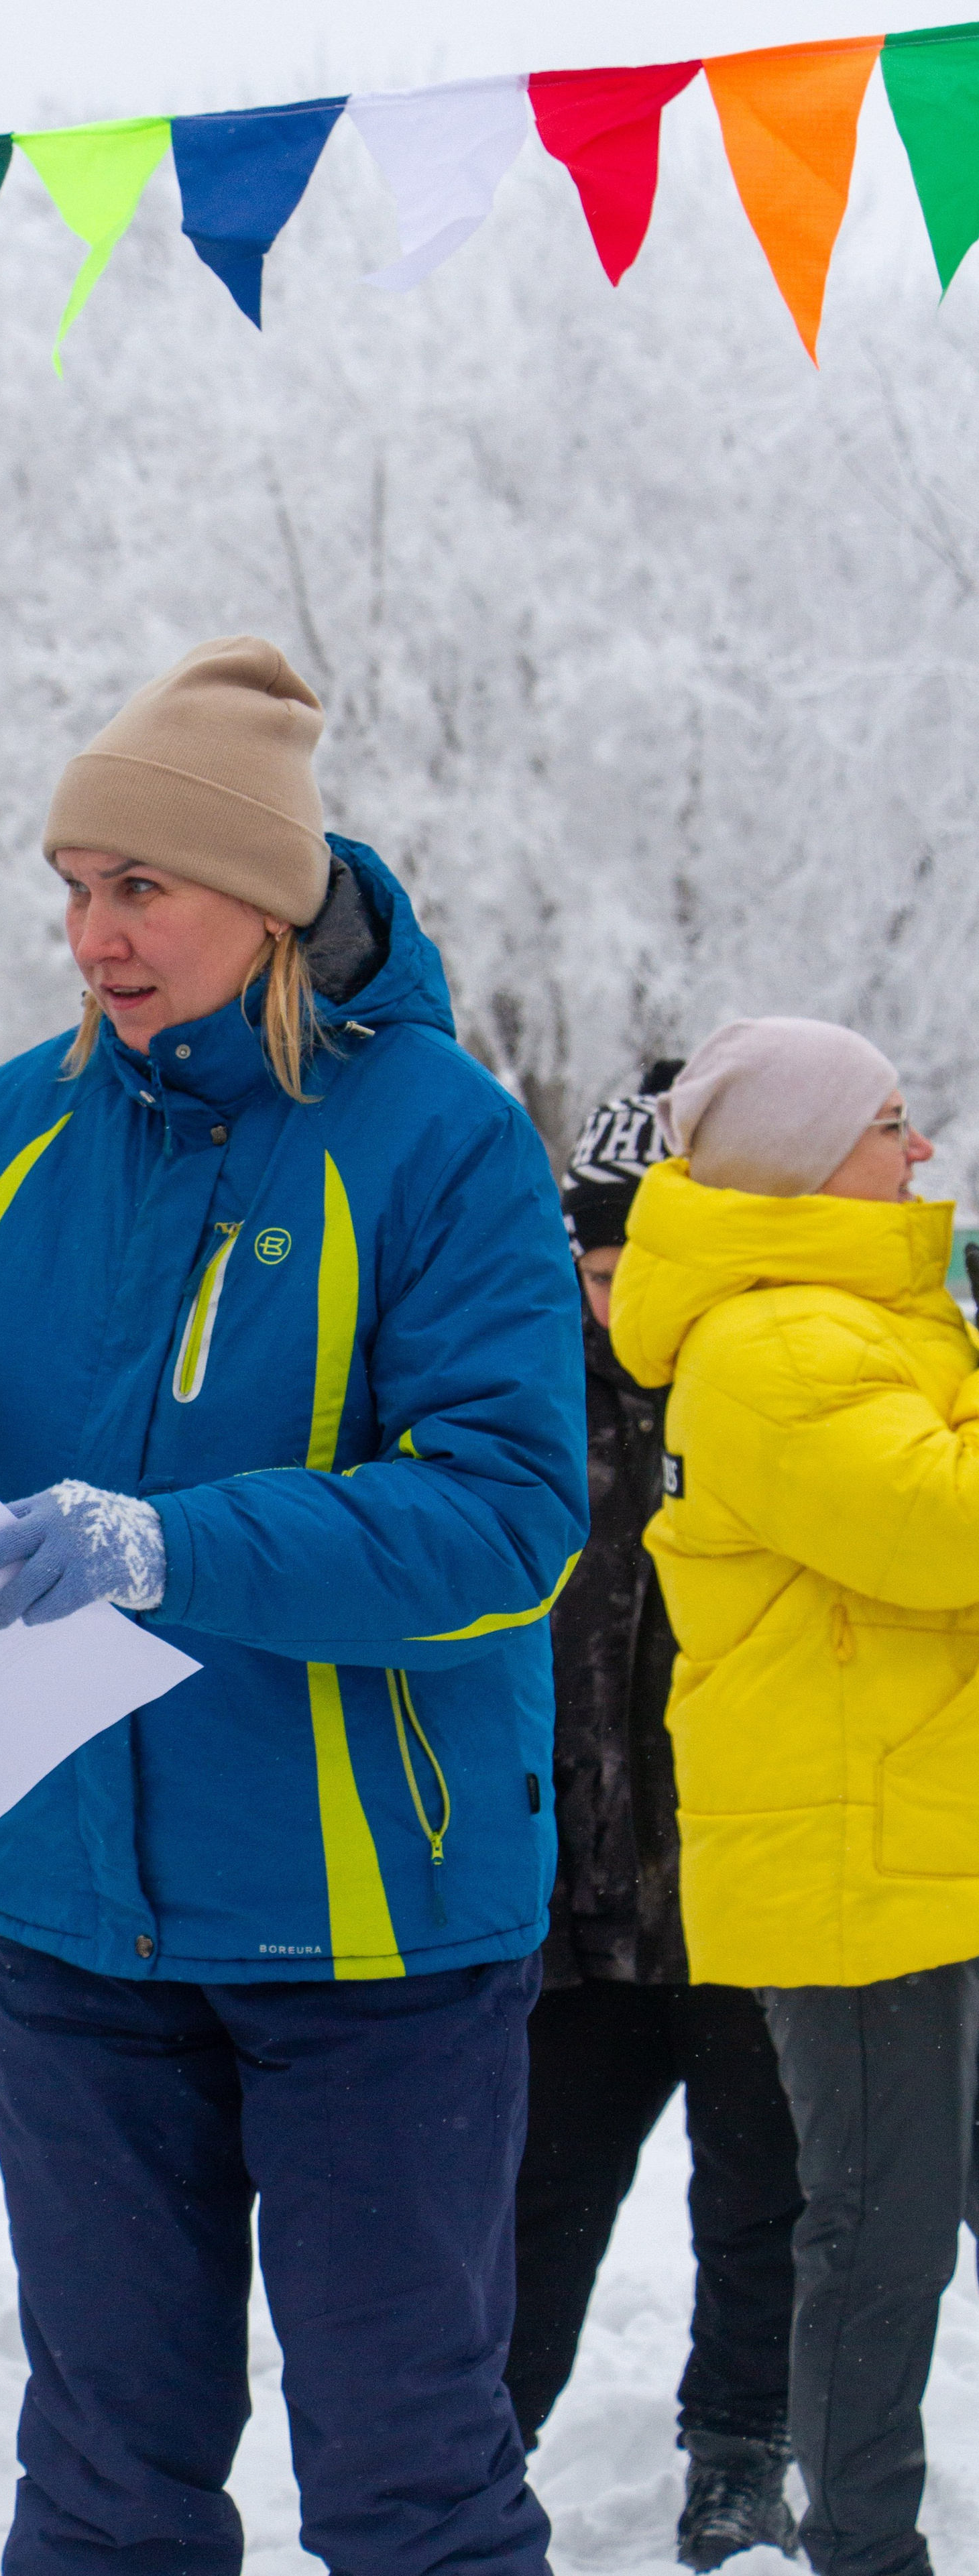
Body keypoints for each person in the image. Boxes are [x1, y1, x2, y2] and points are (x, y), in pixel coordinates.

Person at [0, 638, 589, 2576]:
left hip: (372, 1938)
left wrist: (175, 1547)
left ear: (265, 897)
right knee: (101, 2489)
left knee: (409, 2485)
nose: (94, 936)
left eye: (138, 885)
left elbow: (508, 1521)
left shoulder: (441, 1138)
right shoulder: (18, 1122)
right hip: (73, 1916)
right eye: (73, 888)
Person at [610, 1017, 979, 2576]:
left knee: (890, 2223)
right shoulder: (772, 1344)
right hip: (851, 1869)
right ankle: (865, 2552)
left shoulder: (863, 1321)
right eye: (888, 1122)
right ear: (802, 1158)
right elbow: (942, 1528)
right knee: (876, 2238)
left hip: (921, 1839)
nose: (919, 1148)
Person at [504, 1073, 804, 2571]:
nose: (617, 1296)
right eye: (596, 1264)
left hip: (751, 1895)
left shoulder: (768, 1382)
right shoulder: (518, 1396)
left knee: (763, 2203)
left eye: (644, 1264)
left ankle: (739, 2456)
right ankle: (475, 2454)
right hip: (574, 1905)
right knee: (532, 2205)